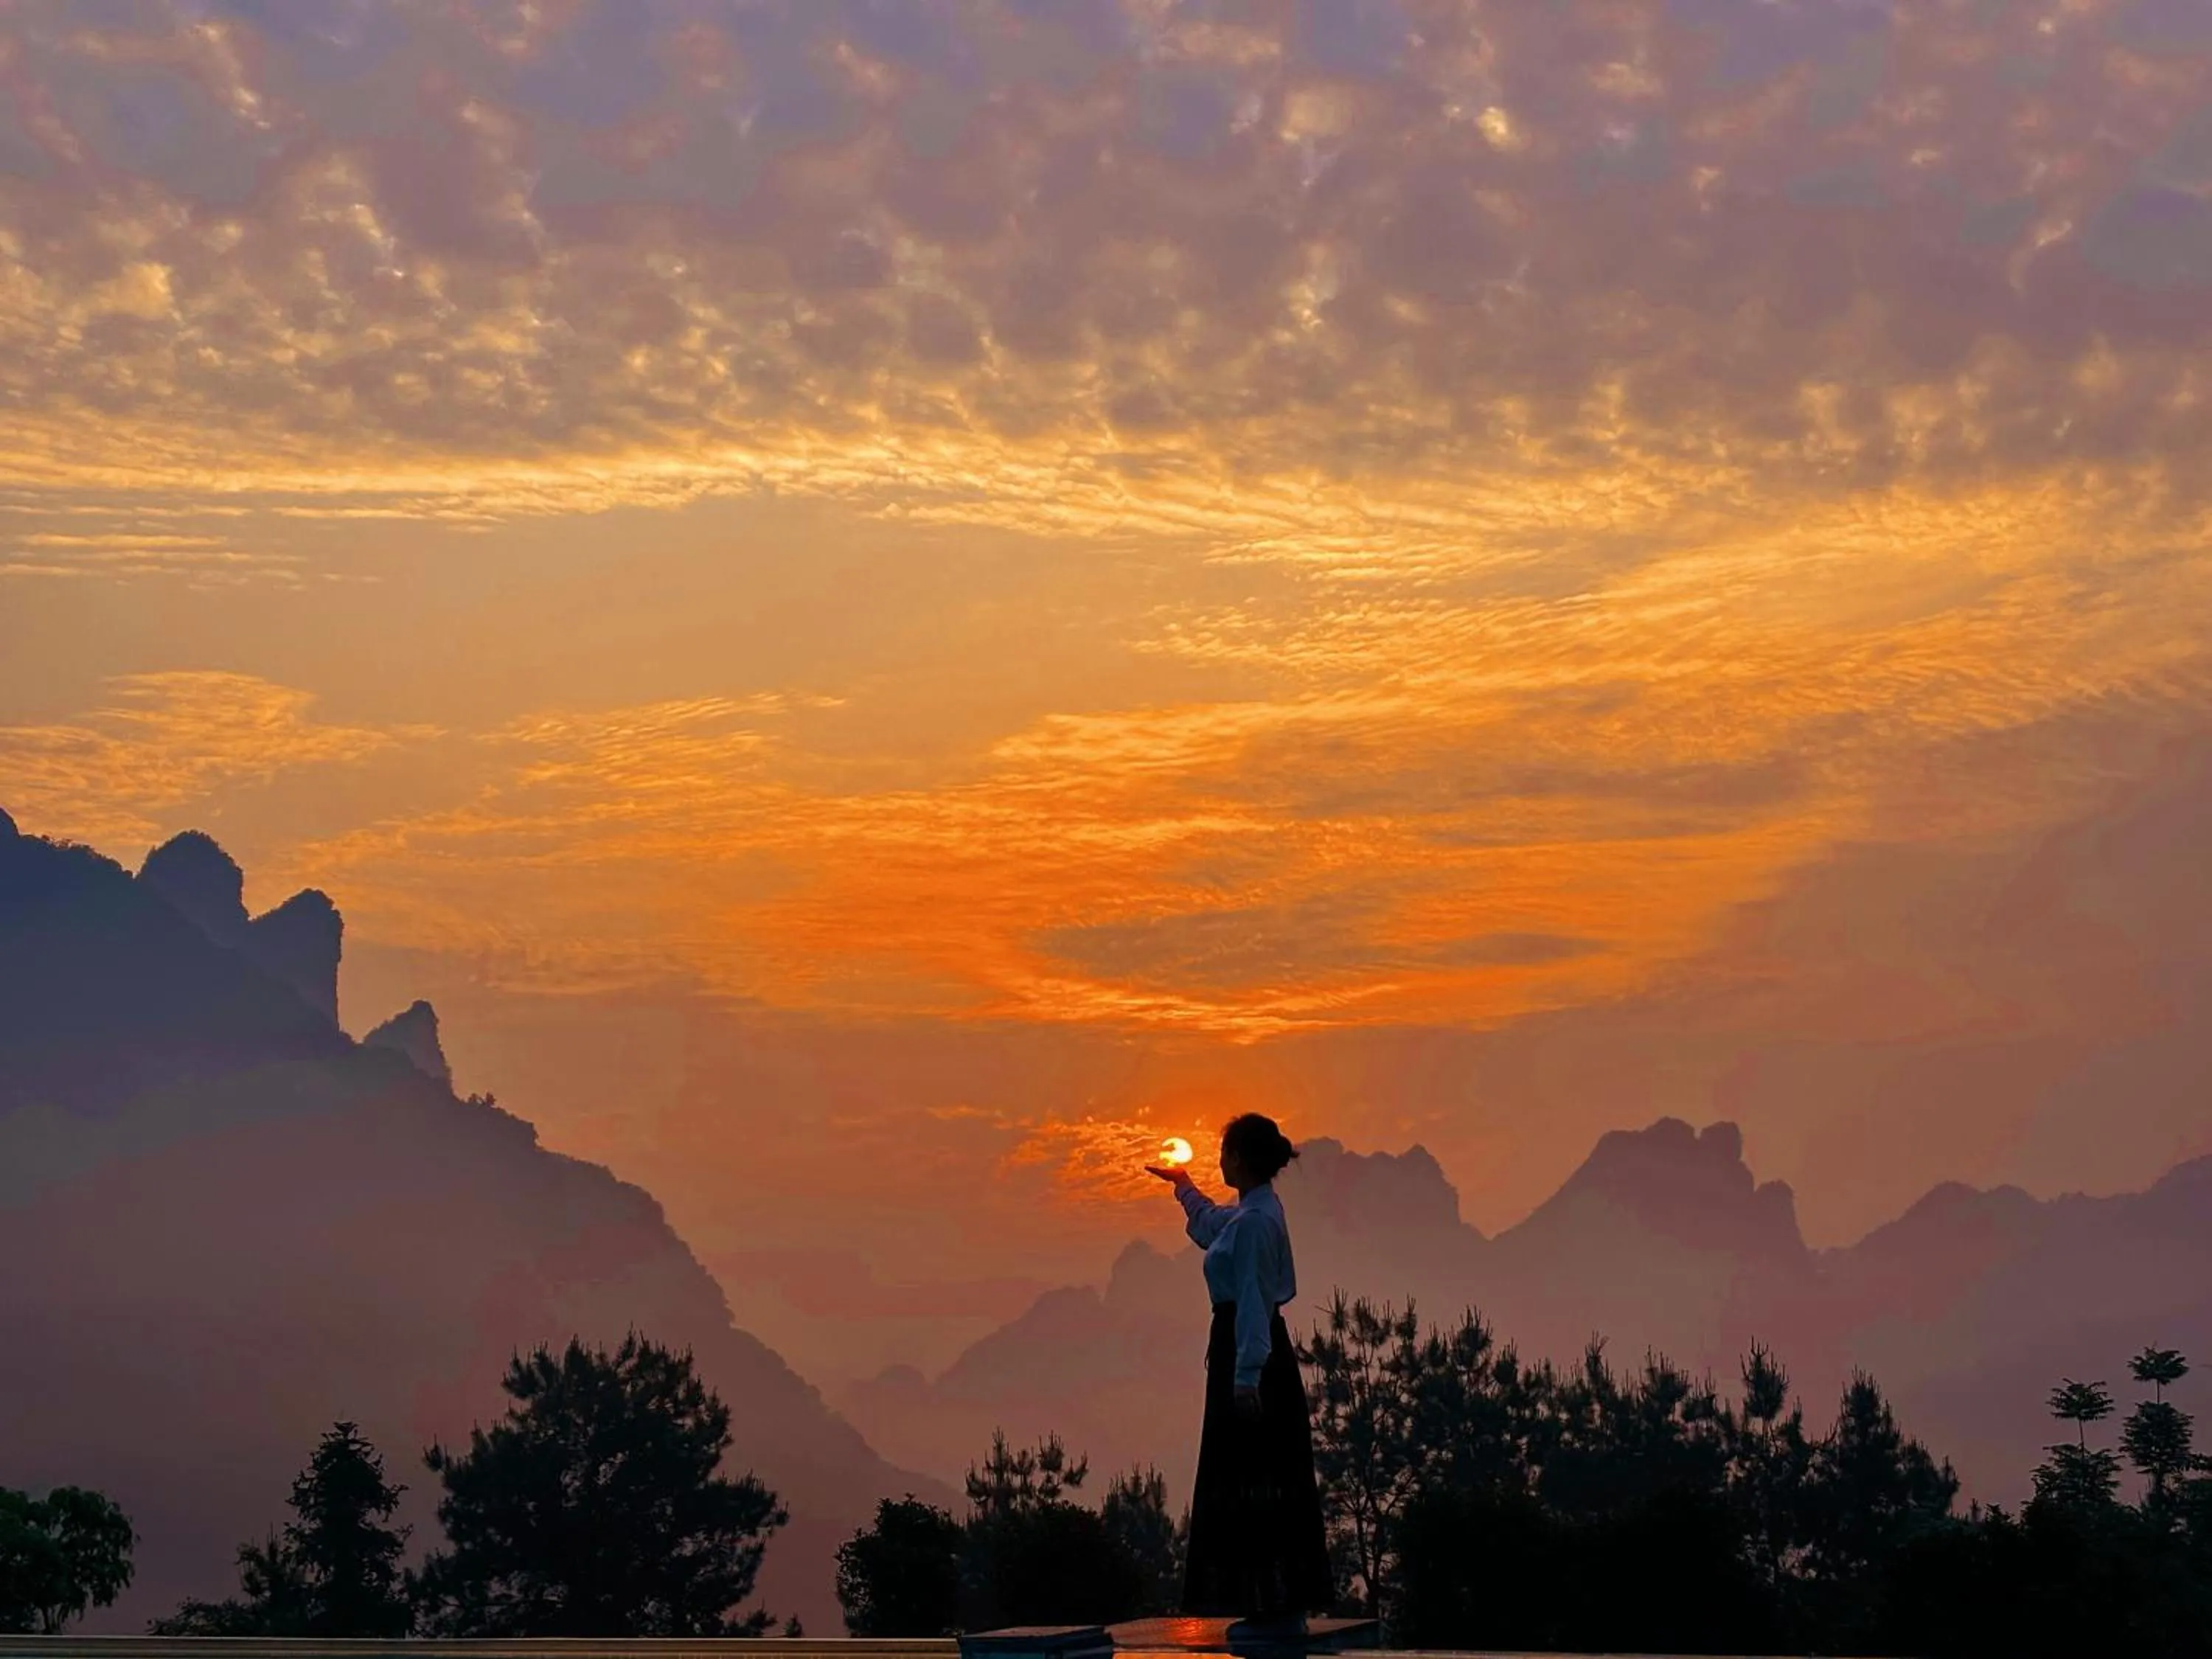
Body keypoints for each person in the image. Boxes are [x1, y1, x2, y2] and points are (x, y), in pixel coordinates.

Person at [1146, 1113, 1335, 1626]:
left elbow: (1254, 1301)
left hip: (1250, 1355)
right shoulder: (1255, 1212)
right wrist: (1183, 1186)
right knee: (1259, 1471)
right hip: (1248, 1352)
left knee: (1249, 1473)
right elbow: (1212, 1226)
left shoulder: (1254, 1223)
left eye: (1225, 1153)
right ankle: (1263, 1599)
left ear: (1241, 1160)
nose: (1220, 1161)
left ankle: (1261, 1601)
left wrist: (1247, 1377)